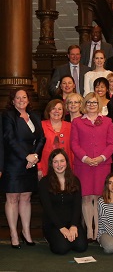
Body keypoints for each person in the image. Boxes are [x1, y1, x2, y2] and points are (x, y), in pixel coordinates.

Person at [2, 88, 45, 248]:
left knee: (26, 198)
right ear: (12, 101)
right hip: (13, 162)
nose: (21, 100)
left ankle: (26, 233)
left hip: (31, 162)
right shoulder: (8, 116)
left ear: (28, 99)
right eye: (17, 98)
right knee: (12, 198)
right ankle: (14, 234)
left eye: (24, 97)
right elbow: (9, 139)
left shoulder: (34, 116)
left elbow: (41, 138)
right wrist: (25, 156)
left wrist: (35, 156)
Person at [71, 92, 113, 241]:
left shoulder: (108, 121)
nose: (91, 105)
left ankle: (98, 229)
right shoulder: (77, 122)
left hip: (102, 165)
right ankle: (89, 230)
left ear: (99, 105)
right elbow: (74, 144)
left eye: (94, 102)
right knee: (86, 197)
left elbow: (111, 144)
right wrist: (85, 158)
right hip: (83, 165)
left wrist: (101, 158)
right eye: (89, 102)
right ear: (85, 105)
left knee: (98, 197)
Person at [39, 149, 88, 254]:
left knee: (81, 247)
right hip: (54, 224)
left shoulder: (75, 181)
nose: (59, 164)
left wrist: (74, 226)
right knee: (62, 249)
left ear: (67, 162)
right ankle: (51, 238)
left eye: (62, 161)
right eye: (55, 162)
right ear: (51, 164)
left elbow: (77, 206)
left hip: (71, 222)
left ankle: (67, 237)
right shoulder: (44, 182)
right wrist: (61, 228)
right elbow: (48, 209)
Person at [39, 99, 73, 178]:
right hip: (45, 167)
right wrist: (39, 168)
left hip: (66, 168)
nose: (56, 111)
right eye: (53, 108)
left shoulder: (70, 126)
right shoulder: (41, 125)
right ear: (48, 111)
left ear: (63, 112)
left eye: (60, 109)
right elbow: (36, 148)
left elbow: (73, 149)